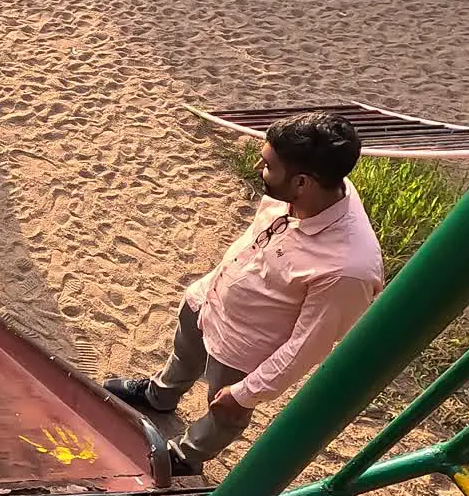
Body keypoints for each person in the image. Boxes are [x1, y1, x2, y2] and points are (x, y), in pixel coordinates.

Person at [102, 113, 383, 475]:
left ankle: (186, 457)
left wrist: (247, 392)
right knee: (183, 355)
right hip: (208, 302)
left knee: (224, 411)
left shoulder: (348, 269)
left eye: (267, 165)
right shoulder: (312, 191)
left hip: (242, 352)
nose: (256, 167)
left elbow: (308, 346)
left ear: (302, 182)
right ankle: (161, 395)